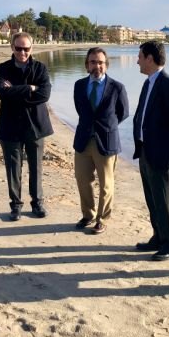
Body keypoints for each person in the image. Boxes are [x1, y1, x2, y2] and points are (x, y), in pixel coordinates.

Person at [133, 41, 169, 261]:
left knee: (164, 201)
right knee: (152, 199)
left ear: (150, 58)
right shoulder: (149, 83)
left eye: (139, 56)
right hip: (146, 150)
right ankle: (158, 236)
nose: (137, 60)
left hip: (163, 154)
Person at [0, 32, 53, 221]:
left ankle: (37, 203)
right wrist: (29, 88)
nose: (22, 52)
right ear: (12, 47)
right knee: (13, 168)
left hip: (35, 125)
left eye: (26, 49)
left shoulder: (40, 68)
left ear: (31, 49)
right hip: (10, 125)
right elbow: (2, 93)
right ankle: (16, 205)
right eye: (18, 48)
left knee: (36, 166)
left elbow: (44, 95)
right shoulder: (2, 69)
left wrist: (15, 90)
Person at [73, 47, 129, 234]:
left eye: (100, 62)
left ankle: (102, 218)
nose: (97, 66)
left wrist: (106, 127)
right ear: (86, 65)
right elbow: (81, 110)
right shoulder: (79, 85)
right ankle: (88, 215)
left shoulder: (117, 87)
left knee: (106, 184)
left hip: (106, 141)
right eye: (93, 62)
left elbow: (123, 113)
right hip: (83, 141)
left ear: (106, 64)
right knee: (83, 180)